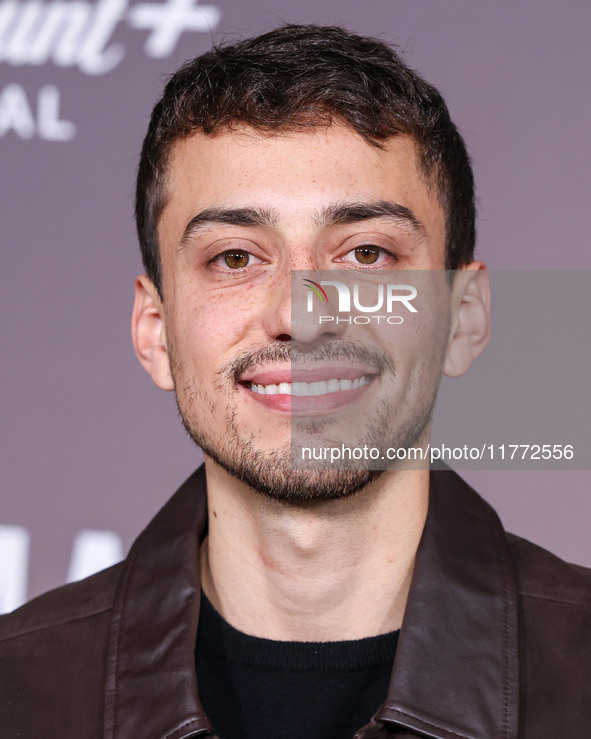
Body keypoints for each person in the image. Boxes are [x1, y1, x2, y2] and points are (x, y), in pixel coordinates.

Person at [1, 24, 590, 739]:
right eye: (235, 257)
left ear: (462, 320)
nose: (298, 314)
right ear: (154, 330)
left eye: (366, 252)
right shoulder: (18, 687)